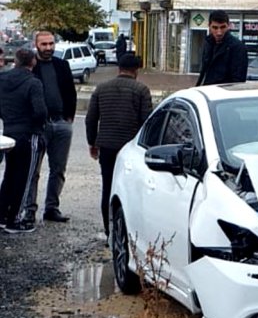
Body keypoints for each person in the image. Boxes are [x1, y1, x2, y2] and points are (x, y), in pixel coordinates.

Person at [86, 54, 152, 237]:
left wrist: (92, 142)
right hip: (131, 148)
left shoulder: (101, 88)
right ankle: (129, 231)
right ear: (136, 70)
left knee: (108, 187)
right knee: (132, 189)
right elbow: (146, 121)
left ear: (119, 68)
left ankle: (109, 231)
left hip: (106, 146)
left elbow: (91, 119)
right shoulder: (141, 90)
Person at [24, 30, 77, 224]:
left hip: (61, 123)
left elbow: (71, 92)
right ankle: (29, 209)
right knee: (33, 170)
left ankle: (52, 208)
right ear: (36, 45)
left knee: (58, 169)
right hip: (38, 126)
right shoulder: (30, 67)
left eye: (51, 44)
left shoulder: (62, 65)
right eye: (44, 44)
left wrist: (69, 117)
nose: (48, 48)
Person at [0, 48, 48, 233]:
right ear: (33, 62)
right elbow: (40, 111)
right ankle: (15, 219)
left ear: (16, 61)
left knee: (10, 175)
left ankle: (2, 214)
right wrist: (37, 125)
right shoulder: (33, 83)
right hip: (29, 134)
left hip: (9, 131)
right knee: (25, 177)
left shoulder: (3, 79)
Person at [195, 10, 248, 86]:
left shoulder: (237, 47)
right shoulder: (208, 43)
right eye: (215, 28)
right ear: (209, 26)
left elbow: (238, 81)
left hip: (222, 92)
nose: (219, 32)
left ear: (228, 26)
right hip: (207, 89)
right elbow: (204, 72)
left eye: (223, 27)